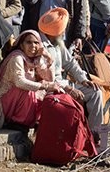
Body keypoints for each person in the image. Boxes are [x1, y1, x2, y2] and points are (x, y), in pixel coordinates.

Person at [37, 8, 104, 137]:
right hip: (49, 88)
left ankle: (93, 135)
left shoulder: (58, 44)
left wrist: (83, 79)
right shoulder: (41, 47)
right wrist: (68, 89)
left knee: (95, 93)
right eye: (62, 30)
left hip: (63, 83)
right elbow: (46, 78)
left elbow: (70, 63)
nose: (64, 32)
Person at [0, 30, 56, 130]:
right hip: (2, 103)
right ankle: (17, 121)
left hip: (16, 100)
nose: (33, 46)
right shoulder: (17, 58)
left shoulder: (35, 59)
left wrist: (49, 59)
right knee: (29, 89)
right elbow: (19, 82)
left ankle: (27, 121)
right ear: (21, 45)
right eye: (28, 42)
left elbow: (50, 79)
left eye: (36, 43)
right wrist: (44, 85)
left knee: (44, 92)